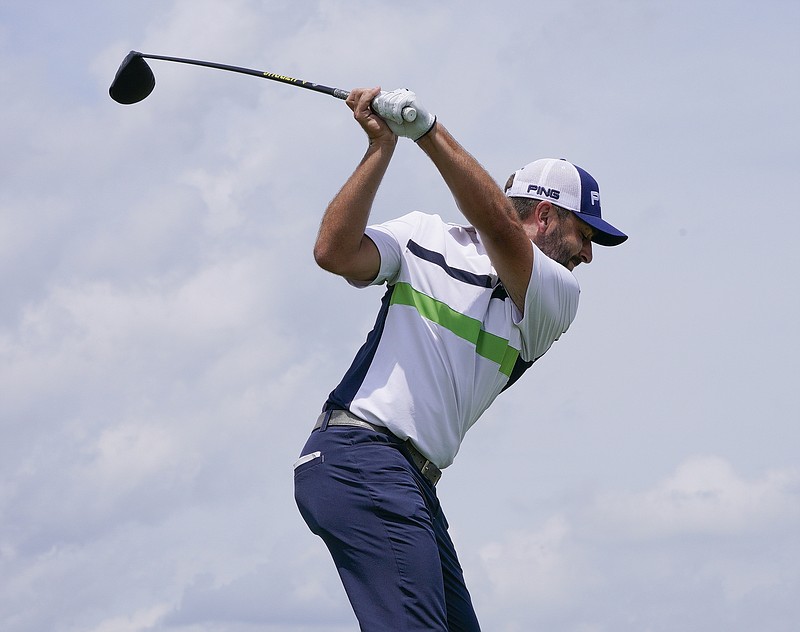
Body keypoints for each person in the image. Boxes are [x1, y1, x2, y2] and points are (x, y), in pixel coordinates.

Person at [293, 86, 627, 631]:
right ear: (545, 215)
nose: (588, 254)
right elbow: (334, 252)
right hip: (359, 455)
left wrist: (428, 131)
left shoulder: (557, 296)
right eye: (584, 234)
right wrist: (381, 149)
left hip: (410, 480)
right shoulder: (424, 235)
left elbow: (499, 228)